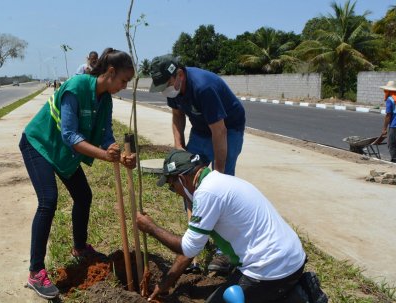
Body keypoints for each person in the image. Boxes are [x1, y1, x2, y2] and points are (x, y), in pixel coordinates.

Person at [20, 47, 136, 299]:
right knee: (48, 201)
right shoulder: (76, 86)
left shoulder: (104, 99)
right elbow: (70, 135)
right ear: (111, 72)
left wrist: (117, 151)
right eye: (124, 80)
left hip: (63, 151)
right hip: (39, 144)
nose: (125, 86)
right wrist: (104, 155)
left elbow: (105, 134)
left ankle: (80, 248)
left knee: (83, 196)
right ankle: (36, 272)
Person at [136, 149, 307, 303]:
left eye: (172, 187)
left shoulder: (207, 193)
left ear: (181, 179)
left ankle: (293, 297)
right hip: (292, 259)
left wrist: (151, 228)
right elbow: (192, 248)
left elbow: (188, 249)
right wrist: (165, 284)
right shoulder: (220, 182)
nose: (176, 193)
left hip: (271, 270)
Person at [148, 54, 246, 272]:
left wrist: (217, 178)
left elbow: (219, 131)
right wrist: (178, 147)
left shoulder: (204, 87)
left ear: (179, 75)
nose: (165, 90)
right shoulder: (173, 87)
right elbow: (177, 115)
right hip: (201, 130)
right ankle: (196, 239)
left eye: (166, 84)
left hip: (228, 128)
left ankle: (224, 253)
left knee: (223, 189)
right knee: (187, 181)